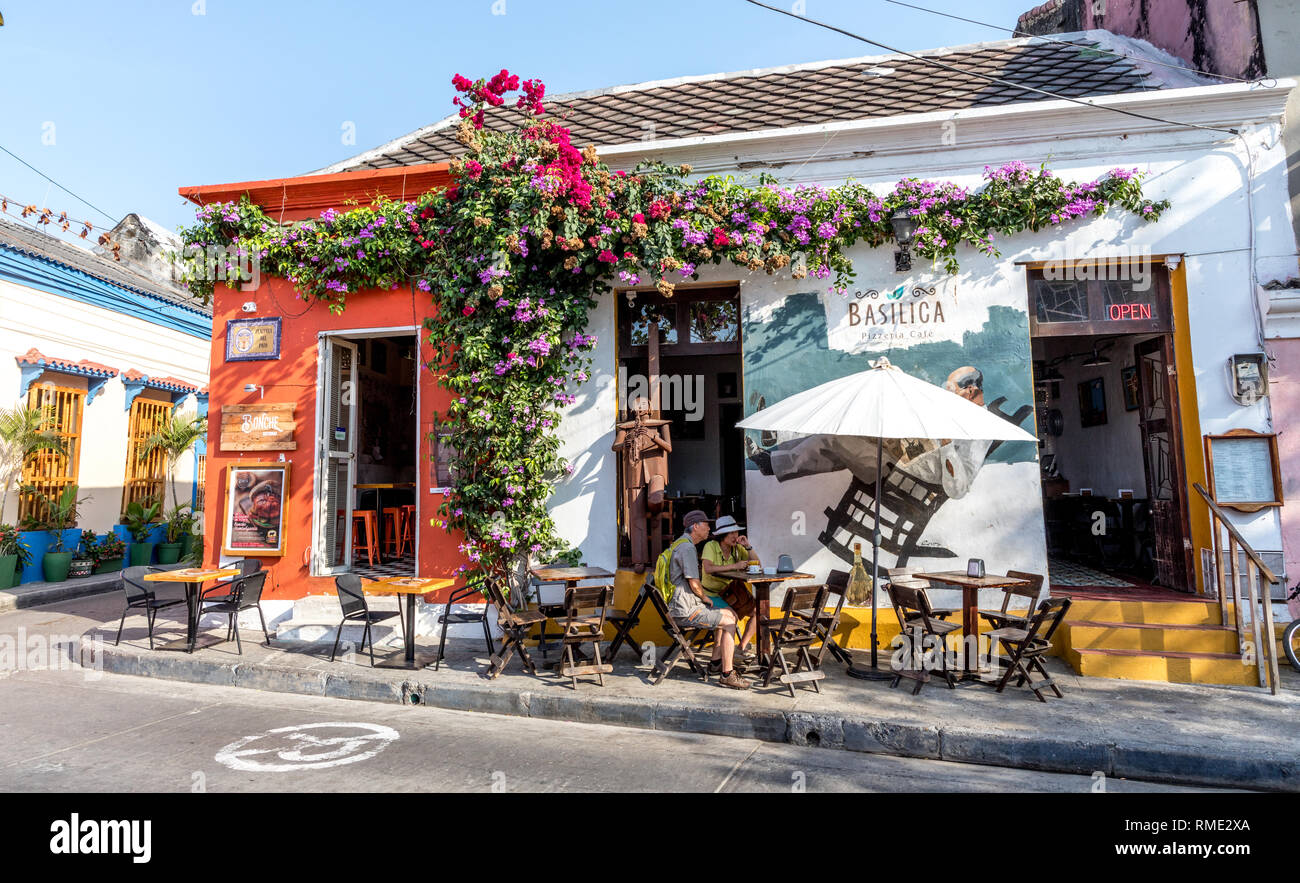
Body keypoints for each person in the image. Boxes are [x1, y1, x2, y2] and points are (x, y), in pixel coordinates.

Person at [664, 510, 749, 690]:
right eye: (706, 525)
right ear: (696, 527)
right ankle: (727, 674)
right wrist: (705, 598)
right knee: (729, 621)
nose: (709, 528)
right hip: (685, 609)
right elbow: (694, 583)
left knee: (727, 614)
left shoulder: (680, 544)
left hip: (680, 605)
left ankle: (717, 663)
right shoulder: (687, 548)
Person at [611, 396, 672, 572]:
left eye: (643, 404)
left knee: (656, 497)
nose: (640, 408)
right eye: (637, 405)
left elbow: (668, 448)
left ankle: (654, 510)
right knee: (636, 514)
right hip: (635, 471)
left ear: (650, 407)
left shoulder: (661, 425)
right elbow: (615, 446)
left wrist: (653, 437)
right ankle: (639, 559)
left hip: (656, 470)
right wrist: (626, 443)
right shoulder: (627, 427)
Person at [699, 514, 759, 663]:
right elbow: (708, 568)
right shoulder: (710, 546)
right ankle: (718, 659)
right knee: (728, 618)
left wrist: (748, 546)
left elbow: (757, 564)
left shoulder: (737, 549)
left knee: (759, 612)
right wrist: (734, 566)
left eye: (736, 532)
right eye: (731, 533)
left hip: (732, 594)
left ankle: (741, 648)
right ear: (722, 535)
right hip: (711, 594)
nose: (735, 536)